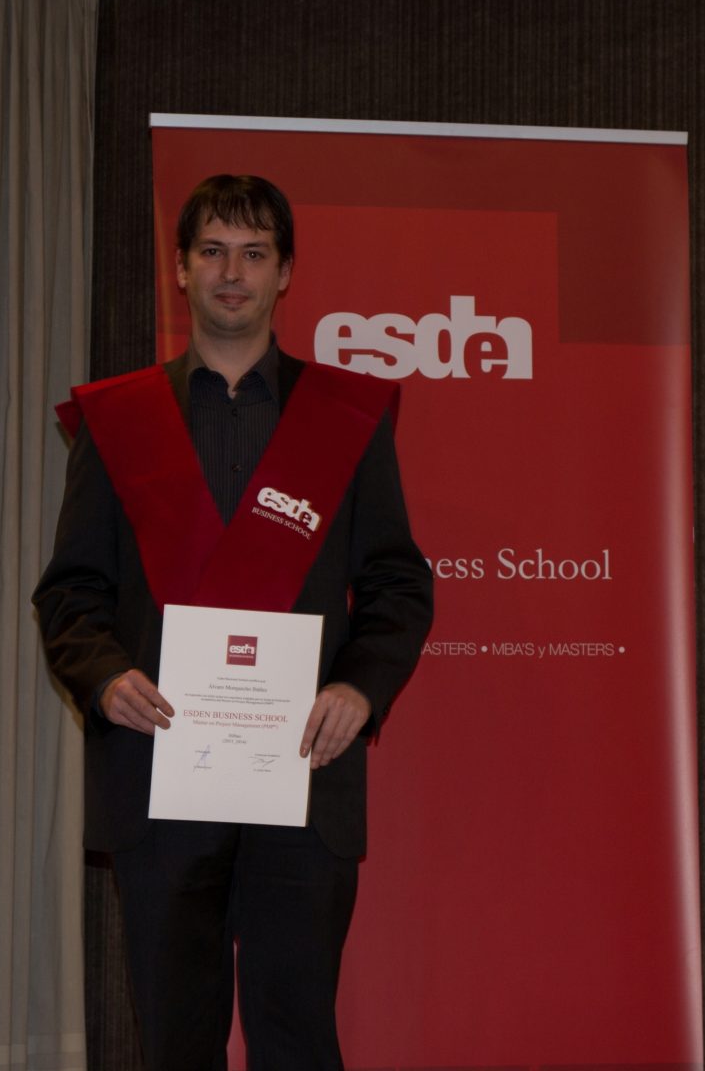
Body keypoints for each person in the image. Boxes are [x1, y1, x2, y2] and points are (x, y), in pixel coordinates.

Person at [34, 174, 432, 1070]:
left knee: (298, 1040)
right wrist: (104, 676)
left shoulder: (345, 418)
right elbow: (70, 591)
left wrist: (358, 689)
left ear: (284, 273)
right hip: (160, 772)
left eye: (254, 253)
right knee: (176, 1042)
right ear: (180, 268)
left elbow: (397, 582)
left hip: (303, 772)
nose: (231, 272)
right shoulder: (119, 421)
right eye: (212, 251)